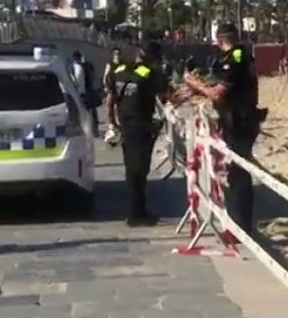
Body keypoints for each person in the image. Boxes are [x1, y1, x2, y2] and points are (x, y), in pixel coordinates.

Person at [183, 23, 262, 238]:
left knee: (237, 173)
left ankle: (241, 227)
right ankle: (238, 223)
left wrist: (193, 83)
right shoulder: (238, 56)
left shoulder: (235, 58)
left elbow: (218, 92)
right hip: (236, 119)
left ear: (219, 41)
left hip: (239, 121)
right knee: (234, 172)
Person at [105, 42, 172, 226]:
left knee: (131, 168)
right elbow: (166, 95)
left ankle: (138, 210)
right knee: (140, 169)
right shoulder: (149, 73)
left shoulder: (118, 71)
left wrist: (111, 122)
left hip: (125, 124)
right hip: (141, 125)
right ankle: (137, 213)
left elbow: (110, 100)